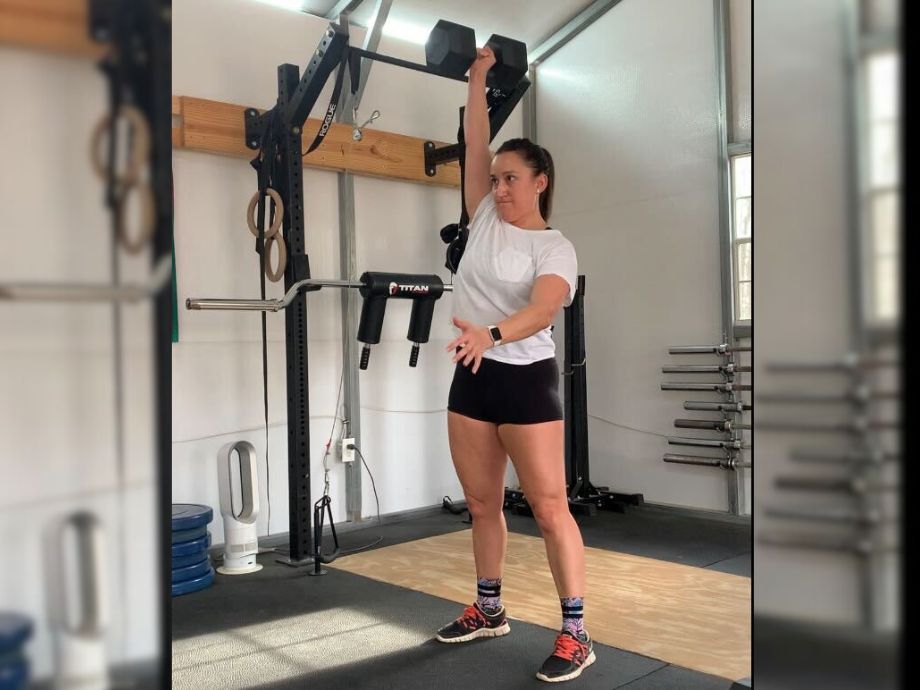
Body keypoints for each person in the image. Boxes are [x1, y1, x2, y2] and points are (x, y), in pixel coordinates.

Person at [434, 46, 594, 684]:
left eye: (510, 179)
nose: (497, 187)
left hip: (525, 379)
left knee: (551, 507)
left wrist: (492, 333)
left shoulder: (554, 246)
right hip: (473, 375)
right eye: (494, 178)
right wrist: (476, 80)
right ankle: (490, 607)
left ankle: (576, 634)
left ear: (540, 182)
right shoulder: (480, 215)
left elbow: (544, 310)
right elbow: (475, 139)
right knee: (480, 502)